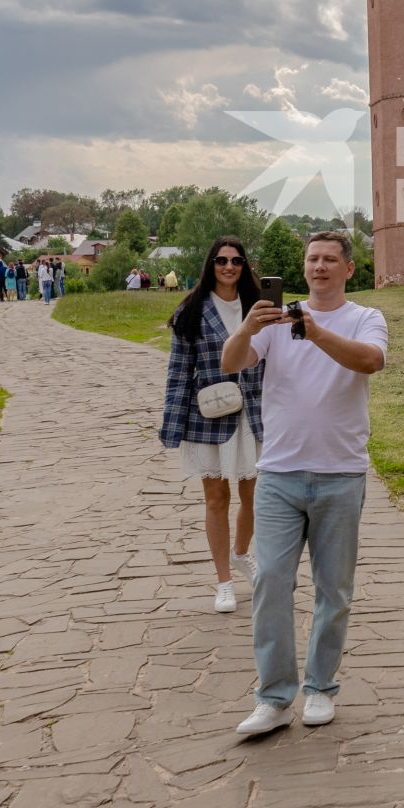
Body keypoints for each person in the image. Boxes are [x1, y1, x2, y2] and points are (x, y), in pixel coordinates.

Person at [223, 231, 386, 734]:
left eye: (330, 260)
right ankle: (273, 698)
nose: (319, 267)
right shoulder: (275, 319)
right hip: (279, 474)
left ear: (349, 269)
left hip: (340, 474)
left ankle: (320, 688)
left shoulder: (365, 318)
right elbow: (231, 364)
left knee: (332, 590)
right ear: (304, 266)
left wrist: (314, 332)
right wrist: (247, 329)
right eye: (313, 259)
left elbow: (370, 361)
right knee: (270, 582)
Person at [158, 236, 265, 615]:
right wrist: (173, 424)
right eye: (221, 260)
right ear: (210, 265)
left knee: (255, 496)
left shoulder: (259, 306)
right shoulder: (192, 310)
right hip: (210, 416)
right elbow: (178, 371)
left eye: (236, 260)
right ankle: (223, 582)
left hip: (254, 413)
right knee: (216, 499)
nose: (229, 267)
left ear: (244, 265)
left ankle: (241, 554)